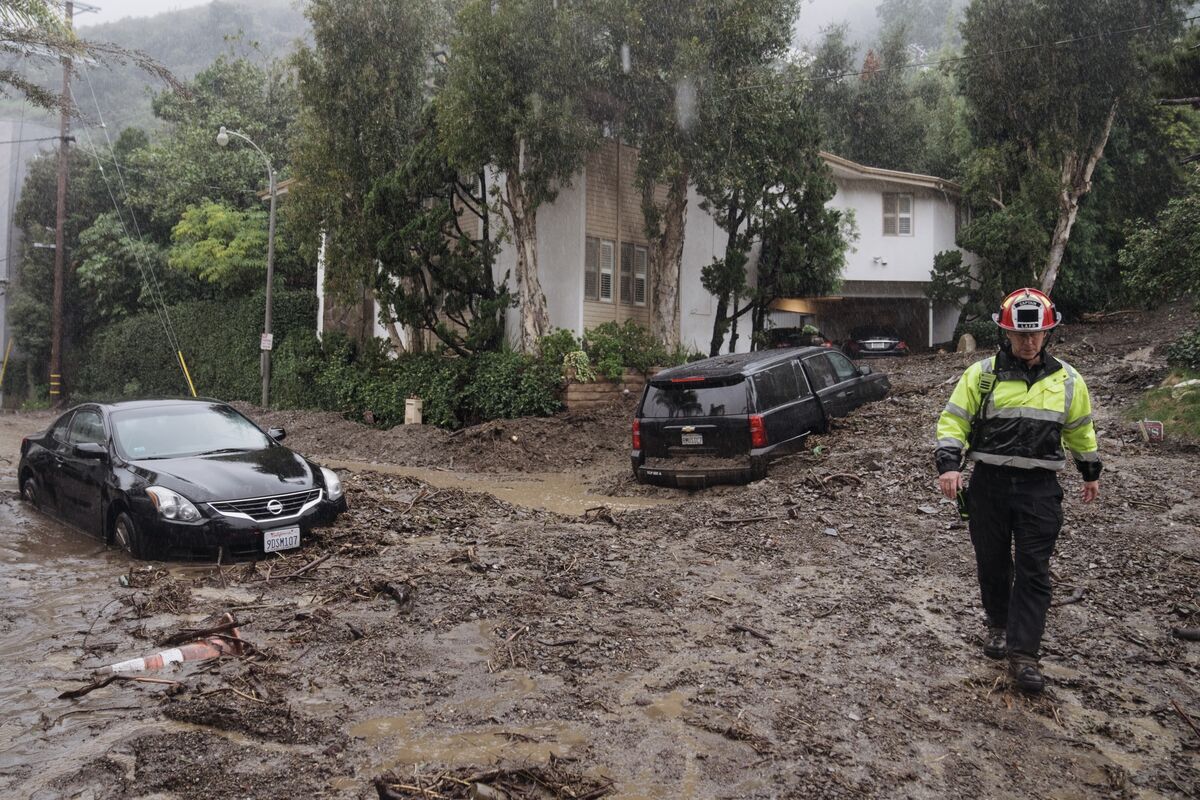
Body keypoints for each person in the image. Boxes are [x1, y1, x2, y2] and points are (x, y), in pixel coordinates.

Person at [935, 288, 1101, 693]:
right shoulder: (981, 375)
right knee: (992, 561)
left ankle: (1024, 654)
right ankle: (998, 624)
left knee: (1034, 570)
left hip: (1039, 489)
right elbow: (954, 421)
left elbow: (1080, 428)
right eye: (1020, 335)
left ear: (1048, 333)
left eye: (1036, 334)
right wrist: (949, 466)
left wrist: (1089, 470)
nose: (1028, 342)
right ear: (1005, 333)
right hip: (989, 485)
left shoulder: (1068, 380)